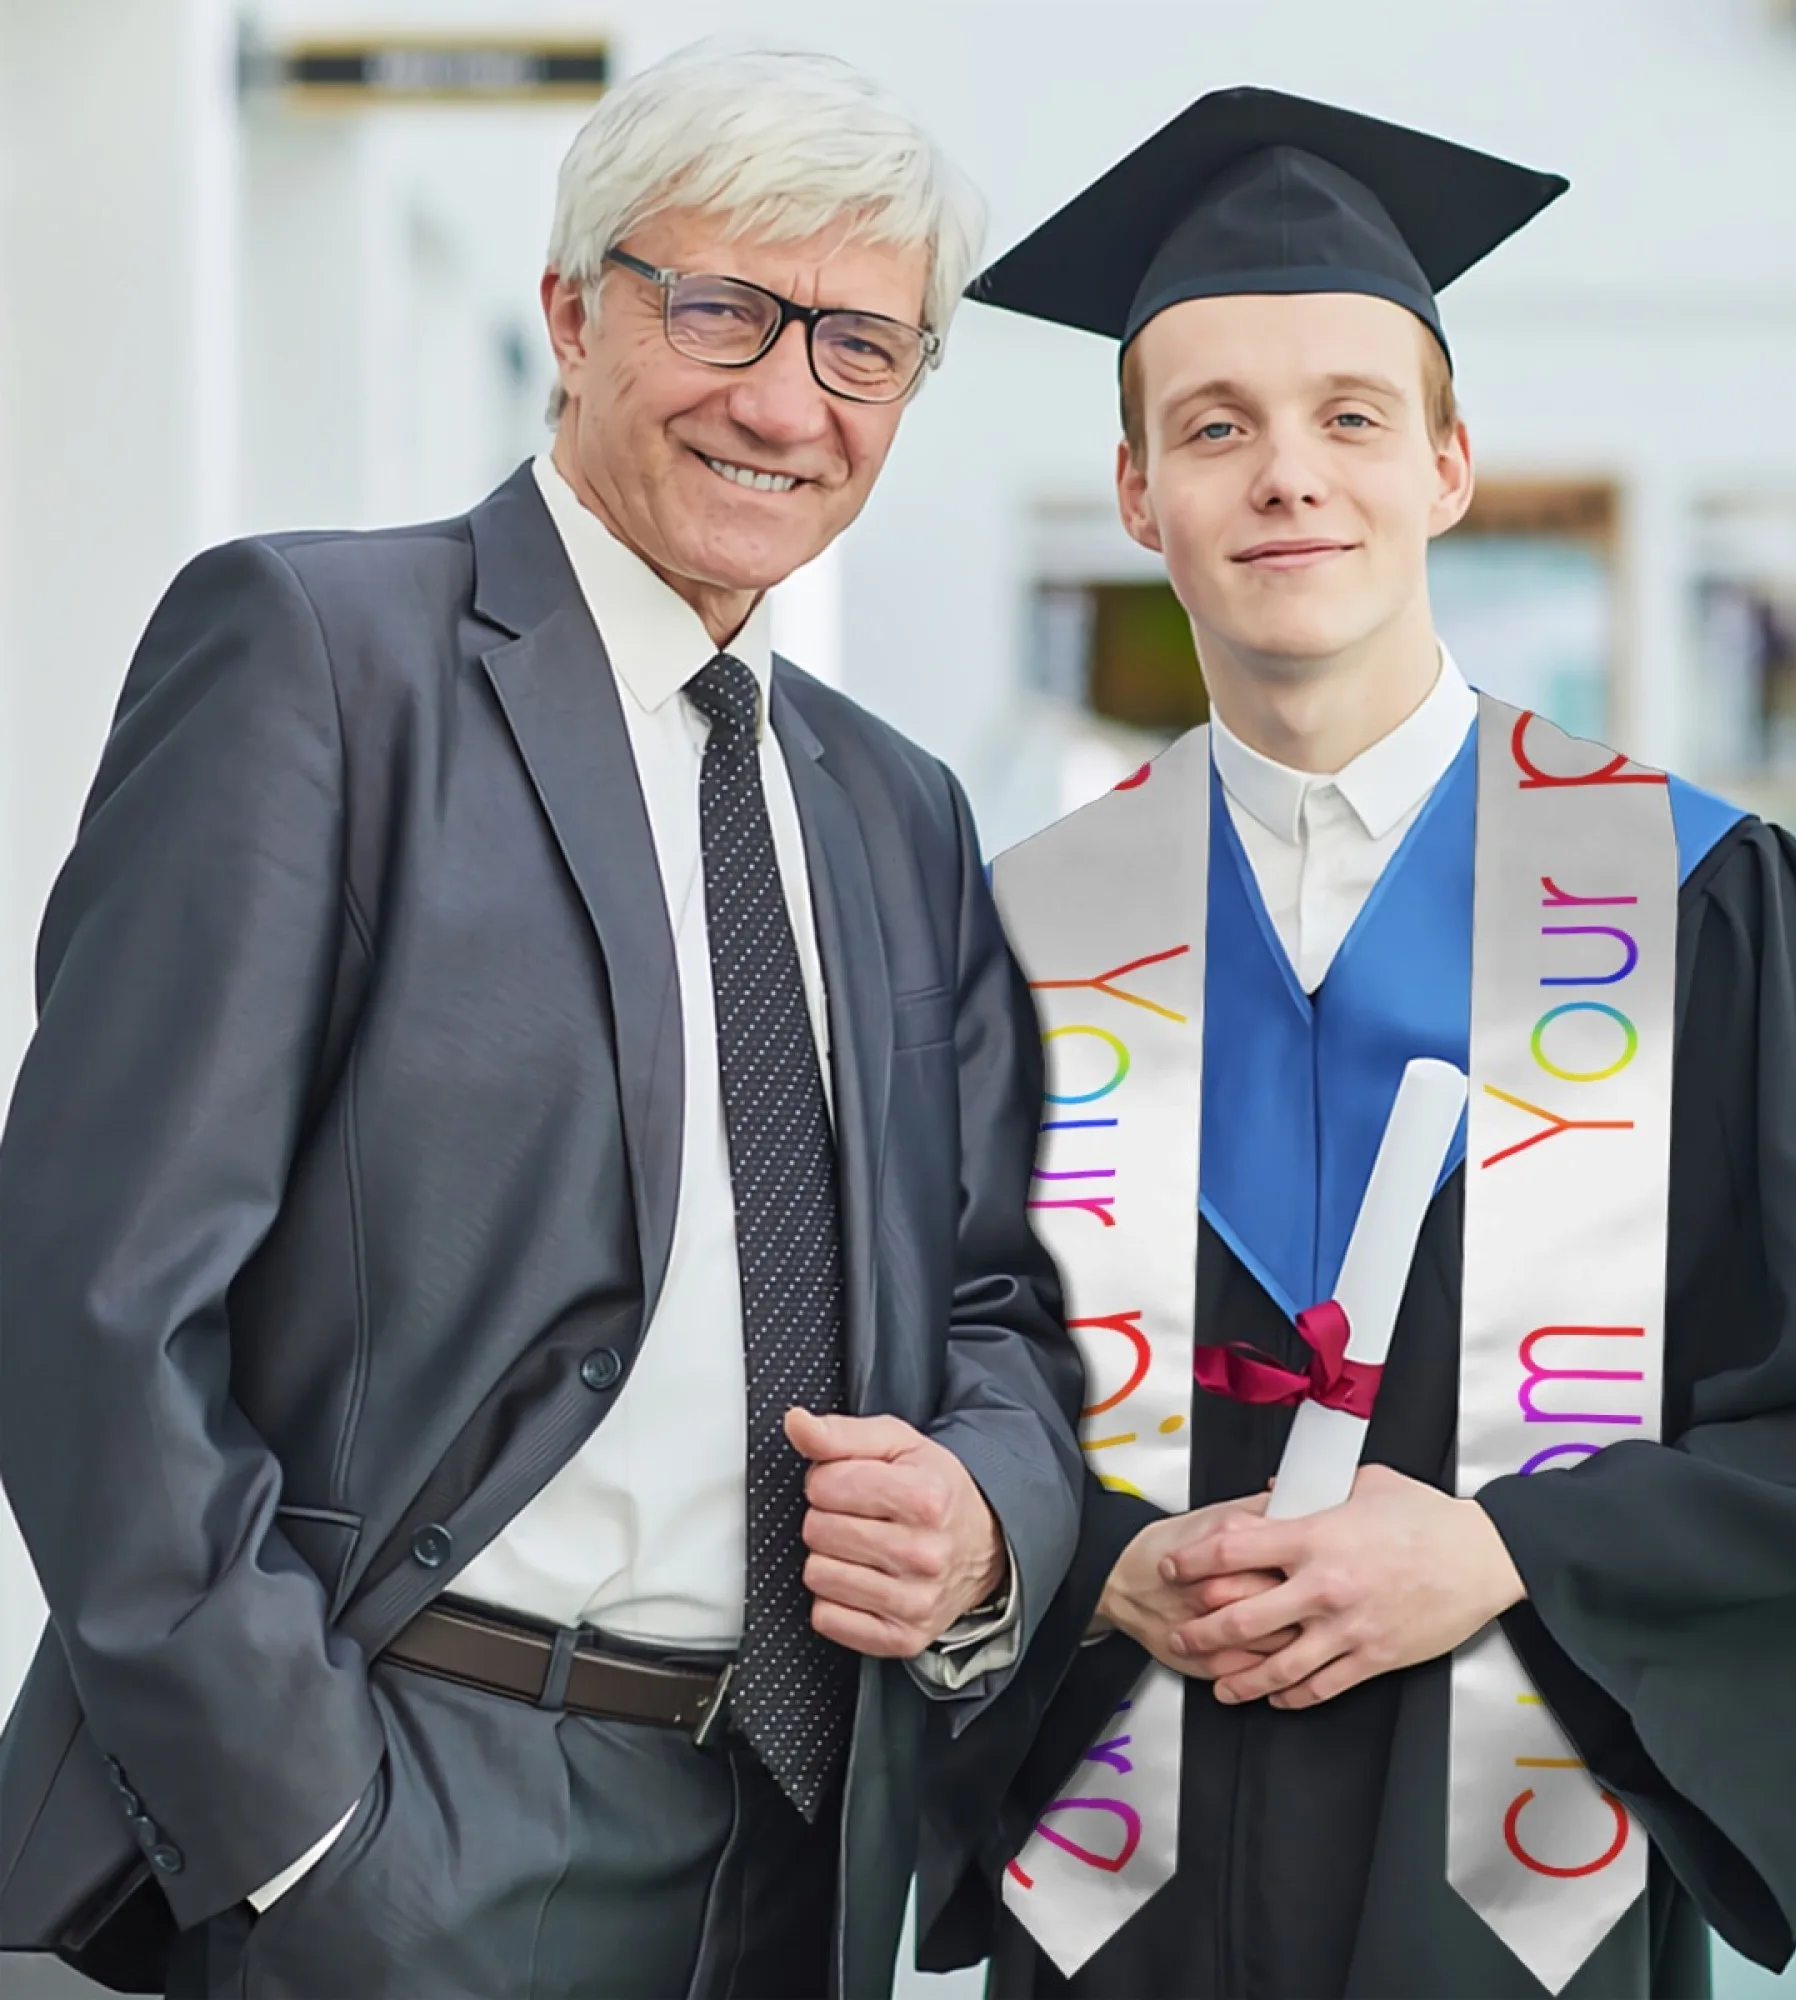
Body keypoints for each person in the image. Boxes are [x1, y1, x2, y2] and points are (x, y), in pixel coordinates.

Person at [0, 43, 1082, 2000]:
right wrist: (303, 1833)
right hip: (398, 1809)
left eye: (859, 346)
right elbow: (96, 1300)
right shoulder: (323, 665)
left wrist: (985, 1515)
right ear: (571, 314)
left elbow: (998, 1292)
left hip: (786, 1837)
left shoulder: (896, 805)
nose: (782, 399)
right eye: (722, 308)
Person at [917, 87, 1796, 2000]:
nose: (1286, 476)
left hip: (1515, 1896)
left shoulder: (1700, 902)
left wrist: (1506, 1556)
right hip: (1117, 1892)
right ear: (1140, 492)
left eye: (1348, 416)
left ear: (1450, 465)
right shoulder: (1013, 936)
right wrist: (1093, 1570)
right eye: (1215, 427)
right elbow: (920, 1390)